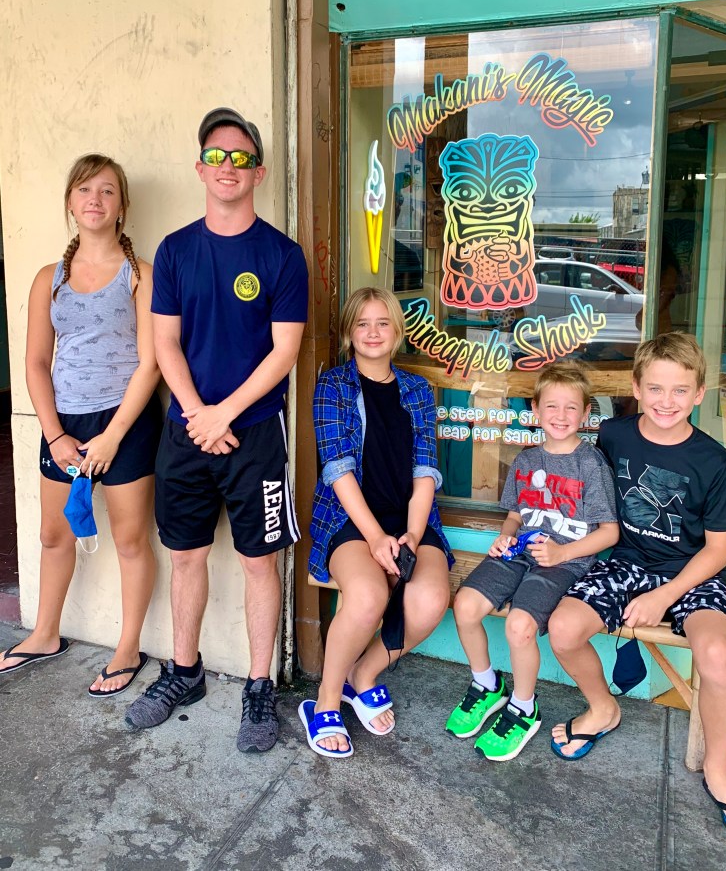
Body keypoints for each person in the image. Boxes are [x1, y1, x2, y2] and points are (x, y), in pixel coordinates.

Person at [125, 108, 308, 755]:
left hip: (254, 435)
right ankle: (185, 671)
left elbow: (284, 353)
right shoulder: (175, 251)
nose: (228, 166)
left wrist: (223, 414)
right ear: (200, 169)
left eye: (241, 157)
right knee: (186, 556)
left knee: (260, 563)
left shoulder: (282, 255)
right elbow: (165, 344)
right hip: (185, 434)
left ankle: (259, 686)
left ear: (259, 172)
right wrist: (198, 413)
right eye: (216, 156)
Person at [548, 334, 726, 845]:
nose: (666, 401)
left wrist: (664, 596)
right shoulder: (613, 435)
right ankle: (603, 708)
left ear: (699, 393)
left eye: (680, 390)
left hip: (695, 575)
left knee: (716, 655)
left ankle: (719, 771)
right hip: (628, 564)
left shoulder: (715, 462)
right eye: (655, 388)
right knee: (564, 628)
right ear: (636, 388)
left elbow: (717, 552)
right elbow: (587, 493)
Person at [0, 154, 161, 697]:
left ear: (122, 206)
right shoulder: (49, 278)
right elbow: (34, 363)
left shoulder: (141, 276)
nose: (96, 199)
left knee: (131, 539)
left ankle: (128, 648)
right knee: (53, 535)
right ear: (70, 202)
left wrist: (112, 436)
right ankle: (45, 634)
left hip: (125, 422)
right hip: (63, 423)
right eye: (85, 189)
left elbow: (151, 363)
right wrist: (55, 435)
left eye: (108, 190)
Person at [299, 287, 453, 758]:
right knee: (368, 597)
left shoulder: (417, 390)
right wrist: (376, 537)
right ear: (349, 331)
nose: (372, 332)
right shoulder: (333, 386)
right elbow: (338, 469)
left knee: (431, 600)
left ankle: (362, 674)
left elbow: (425, 468)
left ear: (397, 331)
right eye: (362, 323)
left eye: (382, 322)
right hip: (351, 519)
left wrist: (412, 534)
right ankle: (326, 700)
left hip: (408, 518)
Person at [445, 363, 618, 761]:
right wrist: (504, 536)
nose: (561, 415)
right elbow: (515, 514)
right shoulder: (526, 461)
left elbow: (609, 533)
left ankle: (523, 707)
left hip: (566, 562)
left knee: (520, 626)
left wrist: (562, 553)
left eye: (571, 407)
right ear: (535, 410)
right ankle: (487, 684)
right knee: (465, 605)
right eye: (551, 406)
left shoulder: (591, 464)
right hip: (520, 552)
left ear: (586, 414)